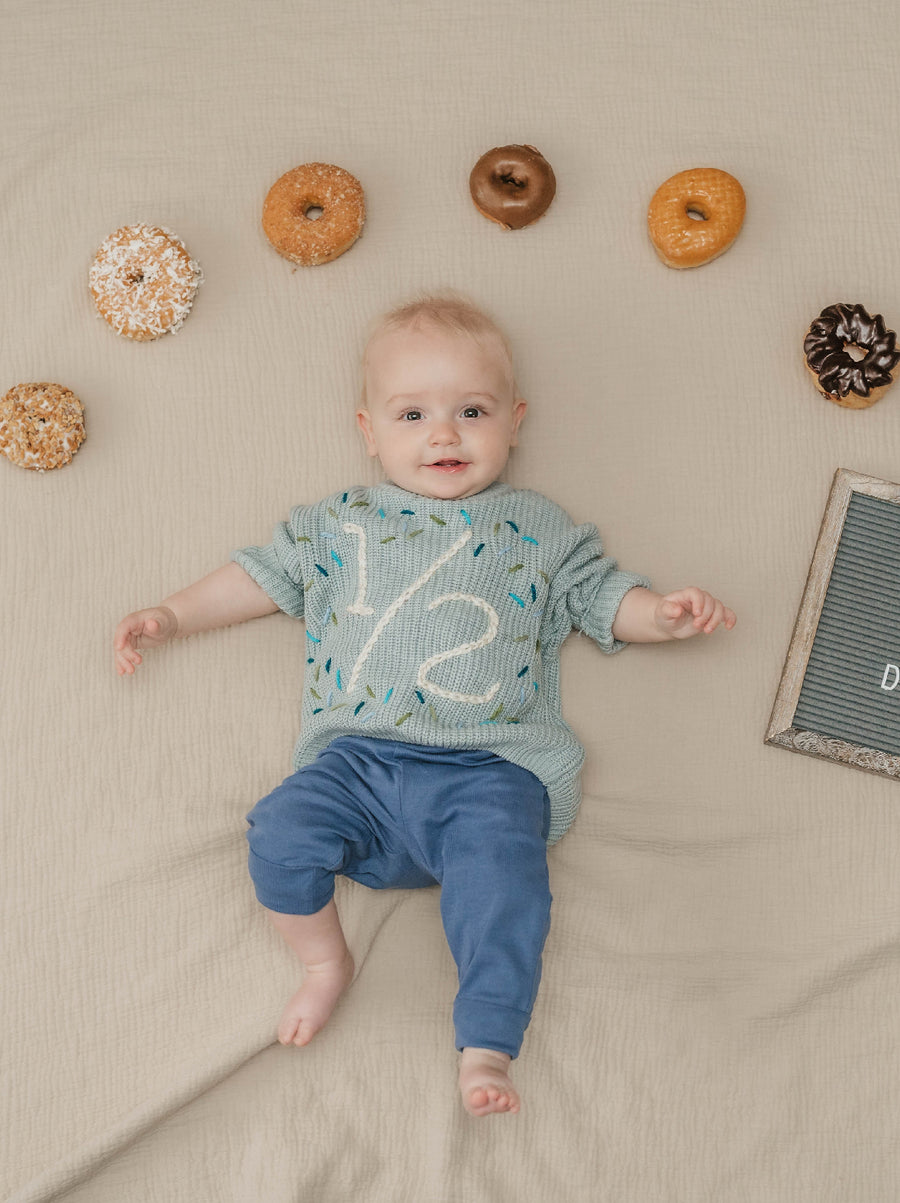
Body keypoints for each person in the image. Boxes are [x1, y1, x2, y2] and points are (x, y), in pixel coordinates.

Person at [114, 294, 736, 1117]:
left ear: (514, 422)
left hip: (491, 770)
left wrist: (661, 615)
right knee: (278, 830)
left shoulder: (538, 528)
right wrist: (173, 613)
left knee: (509, 886)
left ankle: (486, 1045)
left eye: (471, 411)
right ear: (369, 429)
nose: (444, 435)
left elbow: (601, 595)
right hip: (359, 767)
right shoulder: (339, 524)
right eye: (413, 414)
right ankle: (324, 963)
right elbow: (260, 576)